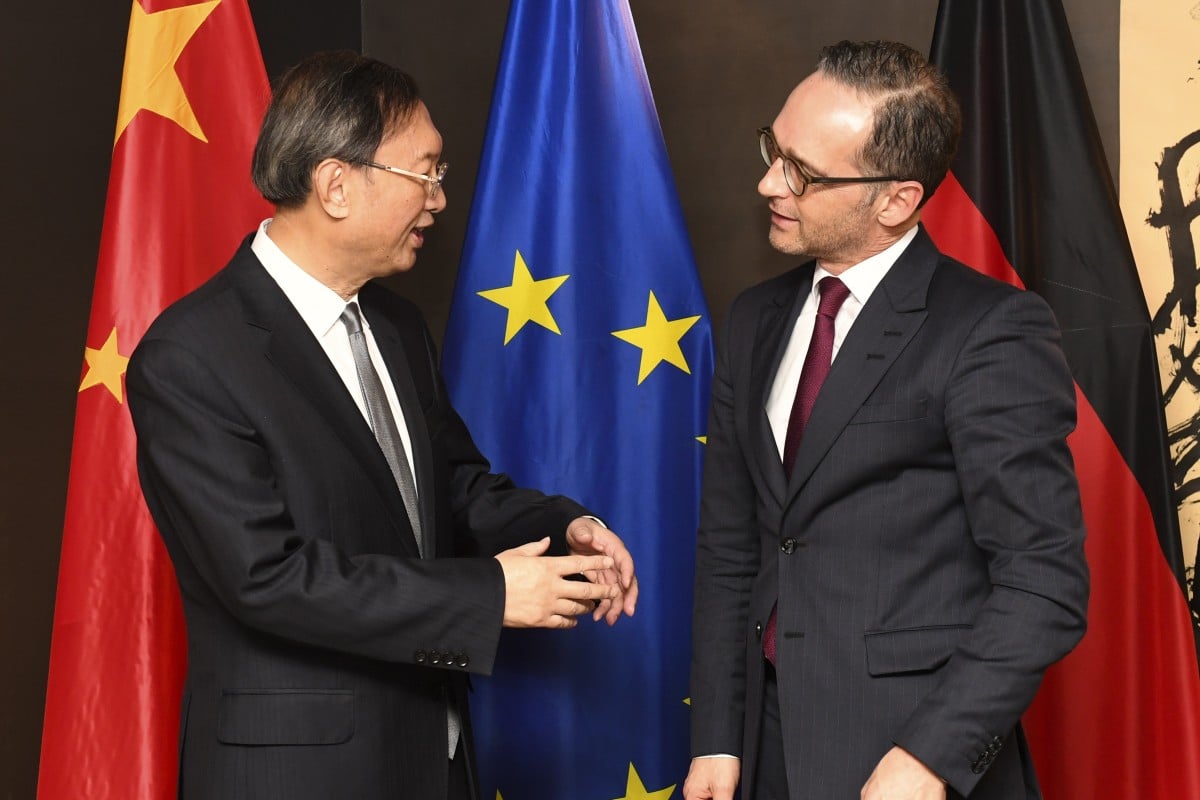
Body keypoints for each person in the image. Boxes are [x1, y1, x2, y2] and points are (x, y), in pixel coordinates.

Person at [127, 51, 637, 800]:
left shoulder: (395, 326)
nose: (437, 199)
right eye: (425, 173)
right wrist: (489, 597)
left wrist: (568, 528)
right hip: (298, 774)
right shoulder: (192, 356)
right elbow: (265, 578)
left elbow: (452, 490)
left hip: (433, 753)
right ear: (336, 185)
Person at [684, 40, 1088, 800]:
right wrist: (716, 736)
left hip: (906, 757)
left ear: (896, 200)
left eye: (801, 171)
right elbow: (730, 550)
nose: (768, 179)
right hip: (760, 752)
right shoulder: (751, 321)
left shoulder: (991, 330)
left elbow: (1045, 580)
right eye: (774, 148)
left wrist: (931, 758)